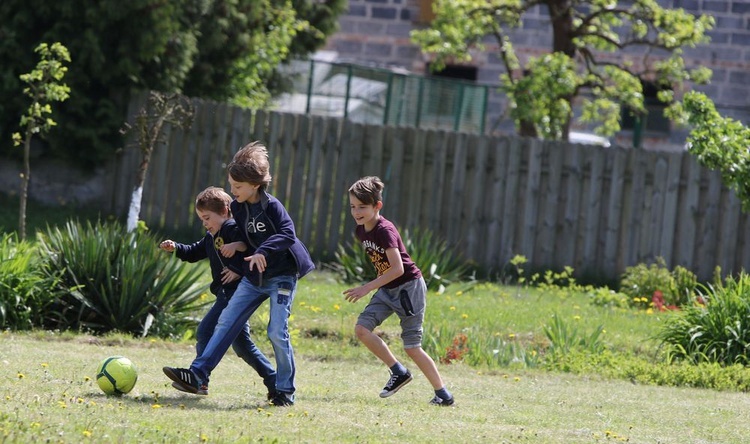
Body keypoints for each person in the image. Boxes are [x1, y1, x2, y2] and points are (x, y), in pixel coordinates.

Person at [163, 142, 315, 407]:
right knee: (224, 323)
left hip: (281, 276)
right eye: (232, 186)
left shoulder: (272, 206)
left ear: (255, 185)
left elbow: (287, 234)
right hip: (255, 278)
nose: (232, 192)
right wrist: (238, 247)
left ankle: (285, 390)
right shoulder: (238, 207)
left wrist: (261, 252)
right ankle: (198, 374)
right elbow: (235, 236)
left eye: (237, 187)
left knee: (277, 332)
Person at [343, 176, 455, 406]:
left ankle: (443, 394)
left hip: (408, 288)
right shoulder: (361, 231)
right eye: (353, 206)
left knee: (412, 346)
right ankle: (399, 371)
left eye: (362, 207)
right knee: (362, 329)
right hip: (387, 288)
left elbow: (397, 269)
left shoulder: (385, 230)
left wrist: (366, 288)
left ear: (377, 206)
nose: (356, 212)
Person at [159, 186, 276, 398]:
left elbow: (252, 252)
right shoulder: (210, 236)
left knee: (205, 331)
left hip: (236, 295)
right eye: (201, 219)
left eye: (207, 218)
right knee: (242, 347)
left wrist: (237, 269)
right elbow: (194, 252)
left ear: (224, 211)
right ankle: (274, 380)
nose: (205, 223)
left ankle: (200, 380)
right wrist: (176, 247)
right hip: (225, 294)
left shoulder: (232, 228)